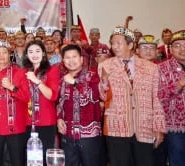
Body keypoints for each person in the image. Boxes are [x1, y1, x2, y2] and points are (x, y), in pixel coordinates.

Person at [98, 26, 166, 166]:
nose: (114, 47)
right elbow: (103, 98)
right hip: (117, 126)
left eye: (118, 43)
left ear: (130, 44)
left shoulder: (151, 67)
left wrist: (159, 127)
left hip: (144, 126)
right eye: (112, 43)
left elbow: (157, 99)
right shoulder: (105, 65)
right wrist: (104, 83)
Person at [57, 44, 103, 166]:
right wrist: (59, 118)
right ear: (63, 60)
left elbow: (93, 97)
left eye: (74, 57)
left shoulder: (92, 76)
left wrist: (75, 82)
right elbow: (60, 102)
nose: (71, 60)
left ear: (81, 59)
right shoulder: (62, 80)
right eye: (67, 57)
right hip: (68, 133)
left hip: (89, 136)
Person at [22, 40, 60, 162]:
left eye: (38, 51)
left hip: (46, 121)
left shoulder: (52, 70)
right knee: (29, 158)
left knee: (44, 157)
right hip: (27, 122)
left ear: (43, 53)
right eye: (31, 51)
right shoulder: (23, 72)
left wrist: (37, 81)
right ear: (26, 55)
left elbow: (52, 96)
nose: (34, 54)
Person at [158, 30, 185, 166]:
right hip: (175, 126)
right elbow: (158, 97)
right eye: (178, 45)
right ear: (171, 49)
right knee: (178, 161)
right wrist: (178, 85)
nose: (183, 49)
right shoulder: (161, 68)